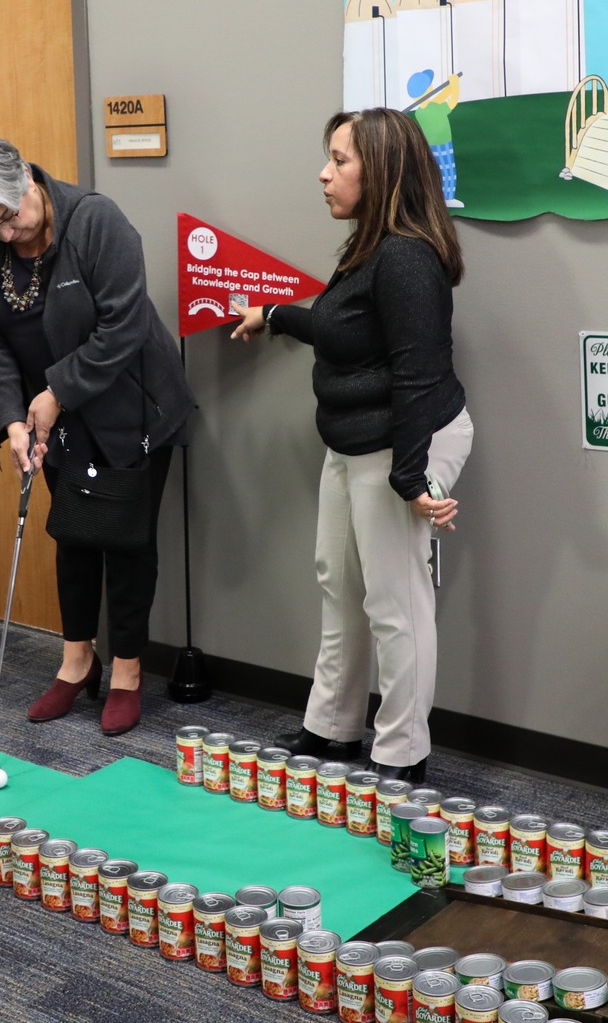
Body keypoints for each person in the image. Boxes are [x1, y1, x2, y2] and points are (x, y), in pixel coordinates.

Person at [229, 108, 473, 783]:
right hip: (354, 443)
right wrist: (275, 314)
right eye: (328, 157)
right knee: (338, 583)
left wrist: (413, 477)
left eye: (339, 160)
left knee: (395, 601)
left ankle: (402, 751)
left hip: (401, 443)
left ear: (383, 170)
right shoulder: (369, 246)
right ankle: (333, 725)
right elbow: (345, 332)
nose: (324, 172)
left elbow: (419, 372)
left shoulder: (406, 258)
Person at [0, 138, 193, 736]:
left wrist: (55, 393)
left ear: (27, 179)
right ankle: (77, 661)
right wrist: (12, 422)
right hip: (51, 417)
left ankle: (128, 672)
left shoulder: (95, 223)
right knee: (73, 535)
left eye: (8, 219)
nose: (5, 237)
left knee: (128, 543)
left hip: (131, 406)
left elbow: (124, 326)